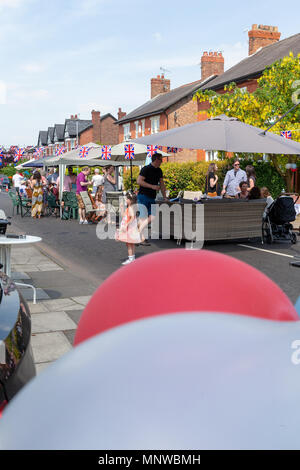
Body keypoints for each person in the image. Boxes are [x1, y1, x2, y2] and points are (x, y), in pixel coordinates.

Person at [137, 153, 168, 245]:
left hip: (152, 197)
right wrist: (152, 187)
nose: (162, 162)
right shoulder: (146, 169)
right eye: (160, 160)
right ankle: (142, 238)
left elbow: (162, 184)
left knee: (153, 216)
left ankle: (138, 230)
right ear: (156, 160)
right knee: (143, 217)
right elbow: (139, 181)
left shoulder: (159, 171)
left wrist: (165, 197)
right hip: (143, 195)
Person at [115, 192, 144, 265]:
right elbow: (124, 216)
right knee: (131, 243)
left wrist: (126, 225)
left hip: (130, 228)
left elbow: (132, 218)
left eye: (127, 199)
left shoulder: (131, 208)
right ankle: (132, 258)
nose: (126, 200)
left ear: (131, 200)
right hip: (130, 228)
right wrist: (121, 208)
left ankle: (130, 258)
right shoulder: (129, 208)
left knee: (129, 244)